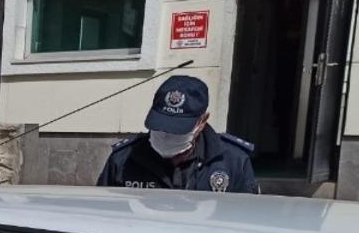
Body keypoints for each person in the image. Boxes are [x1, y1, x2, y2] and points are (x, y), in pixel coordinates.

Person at [97, 76, 259, 193]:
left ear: (202, 122)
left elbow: (245, 220)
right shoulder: (123, 160)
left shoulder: (233, 162)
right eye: (160, 126)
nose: (167, 134)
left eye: (177, 128)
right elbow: (102, 216)